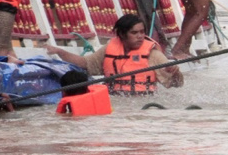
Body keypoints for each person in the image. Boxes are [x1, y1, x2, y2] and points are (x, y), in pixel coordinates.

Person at [45, 14, 183, 95]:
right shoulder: (109, 49)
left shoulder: (154, 55)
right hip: (114, 98)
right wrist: (60, 52)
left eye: (142, 32)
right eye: (134, 33)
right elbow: (85, 64)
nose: (140, 36)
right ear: (122, 34)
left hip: (143, 100)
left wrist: (175, 73)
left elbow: (176, 84)